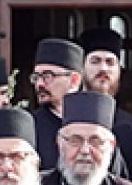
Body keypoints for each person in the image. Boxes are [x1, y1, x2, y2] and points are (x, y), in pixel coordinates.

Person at [79, 27, 132, 185]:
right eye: (95, 61)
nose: (103, 69)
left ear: (119, 71)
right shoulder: (66, 123)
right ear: (81, 69)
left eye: (110, 62)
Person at [26, 36, 87, 171]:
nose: (39, 84)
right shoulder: (29, 127)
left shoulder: (92, 126)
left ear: (74, 80)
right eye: (36, 77)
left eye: (47, 76)